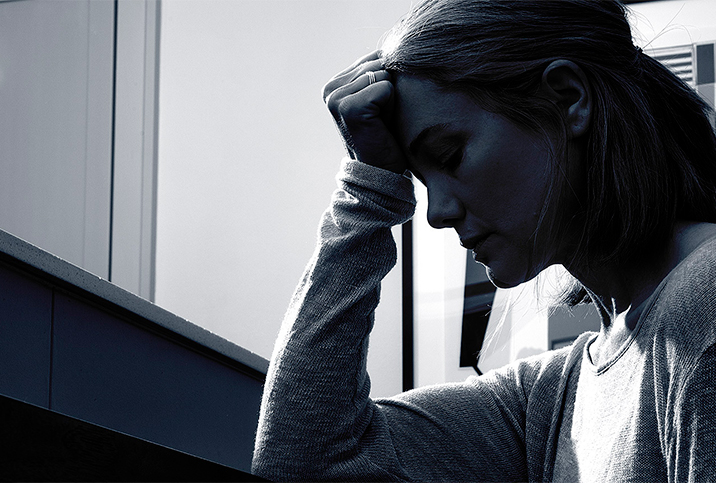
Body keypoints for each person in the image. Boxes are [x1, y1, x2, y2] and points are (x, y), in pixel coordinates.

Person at [252, 0, 716, 481]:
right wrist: (366, 188)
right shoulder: (553, 397)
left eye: (449, 157)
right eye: (421, 180)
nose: (437, 213)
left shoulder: (705, 306)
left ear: (568, 97)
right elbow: (305, 462)